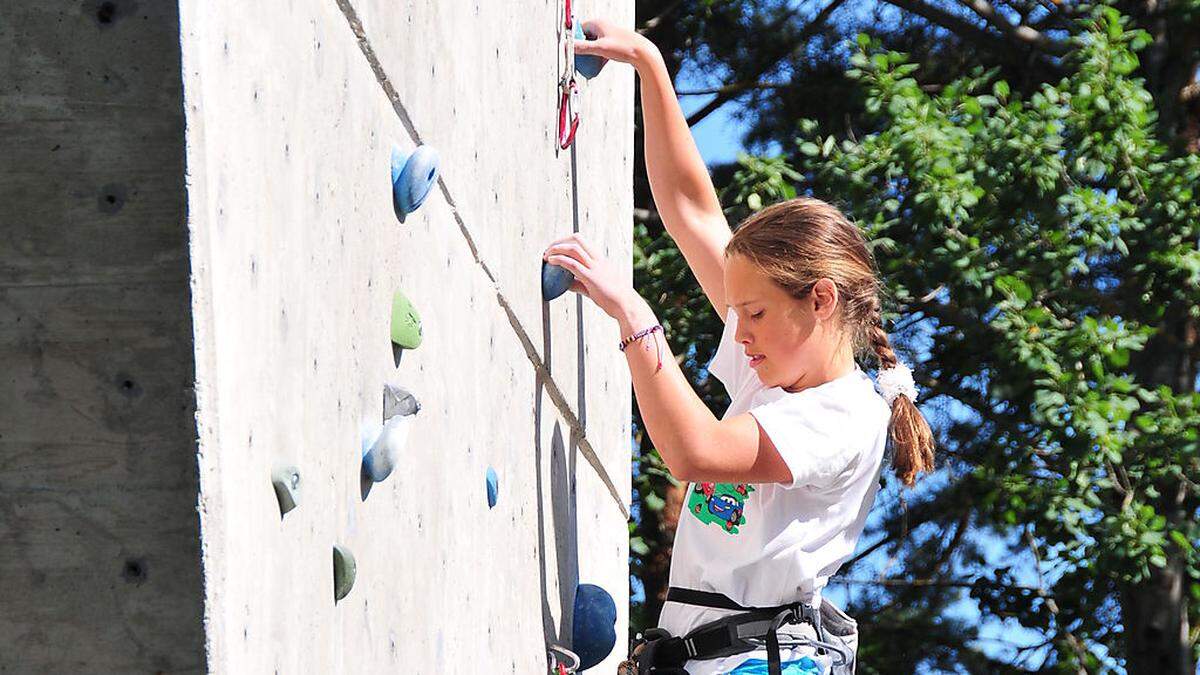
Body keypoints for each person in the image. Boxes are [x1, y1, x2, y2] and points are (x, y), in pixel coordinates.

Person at [542, 17, 936, 675]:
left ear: (819, 301)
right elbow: (692, 211)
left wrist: (635, 318)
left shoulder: (844, 416)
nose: (738, 328)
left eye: (753, 311)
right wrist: (650, 66)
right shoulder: (777, 372)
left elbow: (694, 451)